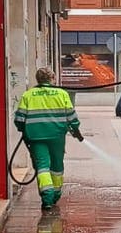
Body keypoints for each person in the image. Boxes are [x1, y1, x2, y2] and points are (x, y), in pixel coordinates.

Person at [14, 67, 84, 211]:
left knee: (42, 167)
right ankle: (56, 194)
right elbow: (72, 117)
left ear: (37, 79)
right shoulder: (62, 94)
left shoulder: (28, 95)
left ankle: (47, 198)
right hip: (57, 136)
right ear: (52, 79)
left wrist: (24, 129)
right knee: (57, 166)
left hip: (35, 137)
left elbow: (19, 119)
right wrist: (75, 129)